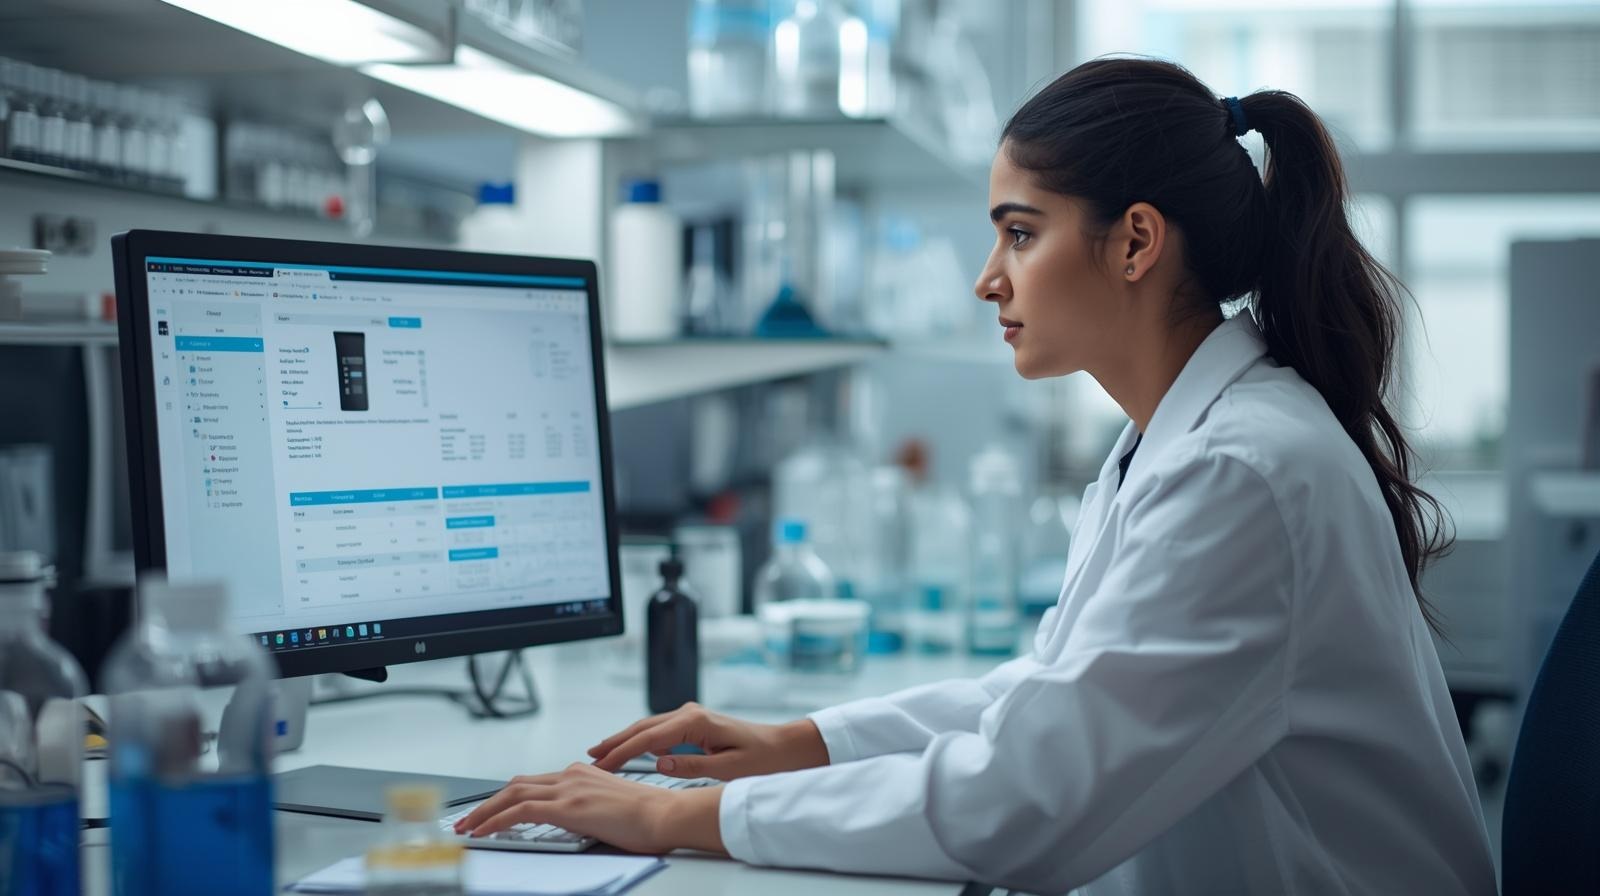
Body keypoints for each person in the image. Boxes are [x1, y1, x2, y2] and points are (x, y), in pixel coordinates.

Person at [455, 58, 1498, 894]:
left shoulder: (1242, 469)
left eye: (1019, 231)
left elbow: (1028, 803)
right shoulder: (1185, 438)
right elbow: (1048, 697)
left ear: (1135, 240)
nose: (986, 275)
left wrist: (676, 814)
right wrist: (799, 740)